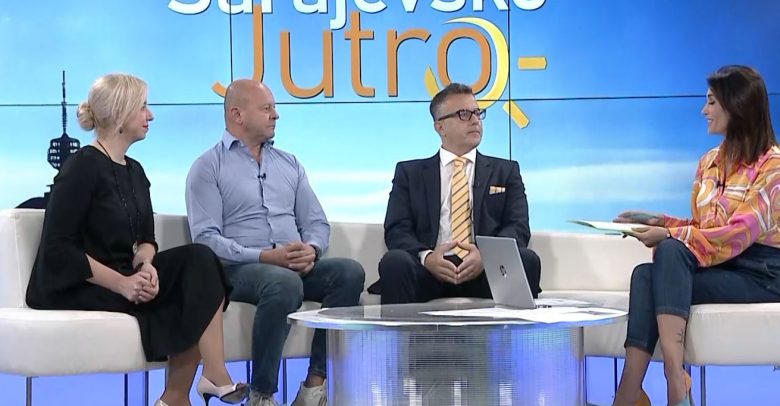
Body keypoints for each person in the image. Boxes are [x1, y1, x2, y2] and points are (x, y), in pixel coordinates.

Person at [25, 74, 247, 406]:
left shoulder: (135, 170)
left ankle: (206, 378)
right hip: (79, 283)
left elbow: (146, 239)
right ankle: (177, 397)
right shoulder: (81, 166)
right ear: (120, 112)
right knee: (184, 289)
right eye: (143, 107)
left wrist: (146, 267)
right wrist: (123, 284)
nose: (150, 115)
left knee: (199, 259)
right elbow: (59, 250)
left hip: (126, 276)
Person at [185, 79, 365, 406]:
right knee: (283, 282)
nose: (276, 115)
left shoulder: (289, 163)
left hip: (291, 265)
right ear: (237, 115)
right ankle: (262, 394)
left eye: (274, 108)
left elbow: (317, 222)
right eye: (266, 108)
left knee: (349, 272)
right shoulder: (208, 167)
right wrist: (265, 257)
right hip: (238, 269)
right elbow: (206, 240)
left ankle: (314, 386)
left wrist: (311, 250)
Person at [612, 65, 780, 406]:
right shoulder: (708, 162)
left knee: (669, 251)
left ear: (737, 105)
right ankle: (642, 389)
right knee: (645, 274)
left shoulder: (772, 166)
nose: (704, 110)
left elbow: (737, 233)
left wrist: (668, 233)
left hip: (762, 274)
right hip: (721, 266)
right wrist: (656, 220)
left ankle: (669, 383)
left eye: (712, 102)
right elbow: (705, 226)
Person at [374, 82, 541, 304]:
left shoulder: (506, 171)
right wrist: (428, 258)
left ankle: (511, 329)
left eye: (477, 113)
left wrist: (485, 256)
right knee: (394, 262)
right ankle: (401, 330)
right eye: (464, 114)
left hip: (486, 270)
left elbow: (518, 226)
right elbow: (397, 229)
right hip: (429, 271)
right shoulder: (410, 173)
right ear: (440, 127)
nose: (475, 120)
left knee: (527, 259)